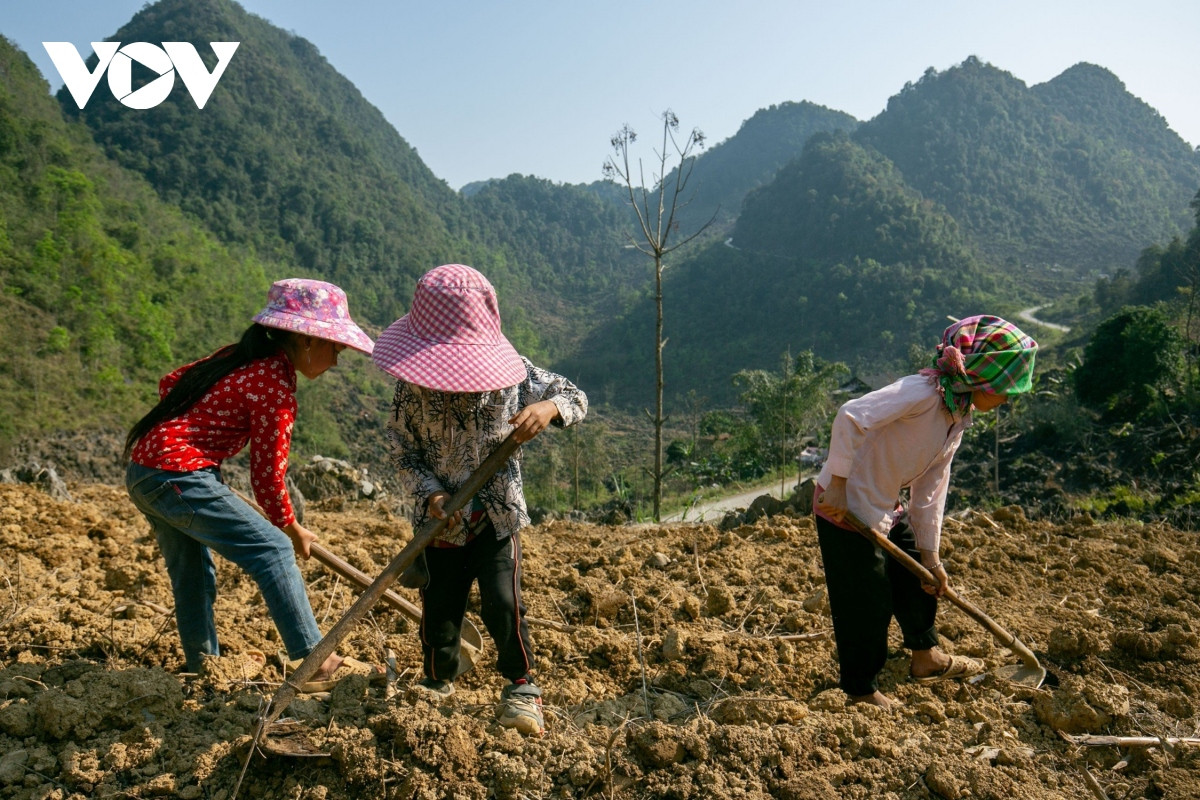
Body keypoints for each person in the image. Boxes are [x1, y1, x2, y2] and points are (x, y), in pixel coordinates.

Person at [124, 278, 378, 690]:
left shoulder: (239, 357)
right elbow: (267, 475)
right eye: (335, 347)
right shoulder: (272, 383)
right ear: (305, 339)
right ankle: (315, 661)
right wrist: (291, 527)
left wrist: (201, 448)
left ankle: (202, 666)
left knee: (192, 573)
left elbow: (172, 383)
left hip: (147, 471)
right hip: (178, 475)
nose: (337, 359)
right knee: (273, 549)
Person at [373, 264, 587, 736]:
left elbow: (574, 394)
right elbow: (400, 449)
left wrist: (549, 408)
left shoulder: (515, 377)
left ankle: (522, 688)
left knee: (502, 604)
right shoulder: (411, 389)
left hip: (495, 516)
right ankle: (436, 686)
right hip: (440, 522)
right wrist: (430, 493)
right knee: (440, 611)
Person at [813, 315, 1037, 709]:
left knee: (919, 578)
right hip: (844, 508)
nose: (1007, 399)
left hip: (884, 507)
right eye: (1005, 389)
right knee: (866, 602)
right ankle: (861, 688)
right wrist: (837, 484)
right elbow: (851, 415)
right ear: (983, 376)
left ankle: (926, 657)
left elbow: (931, 489)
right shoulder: (922, 393)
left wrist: (932, 558)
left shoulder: (957, 414)